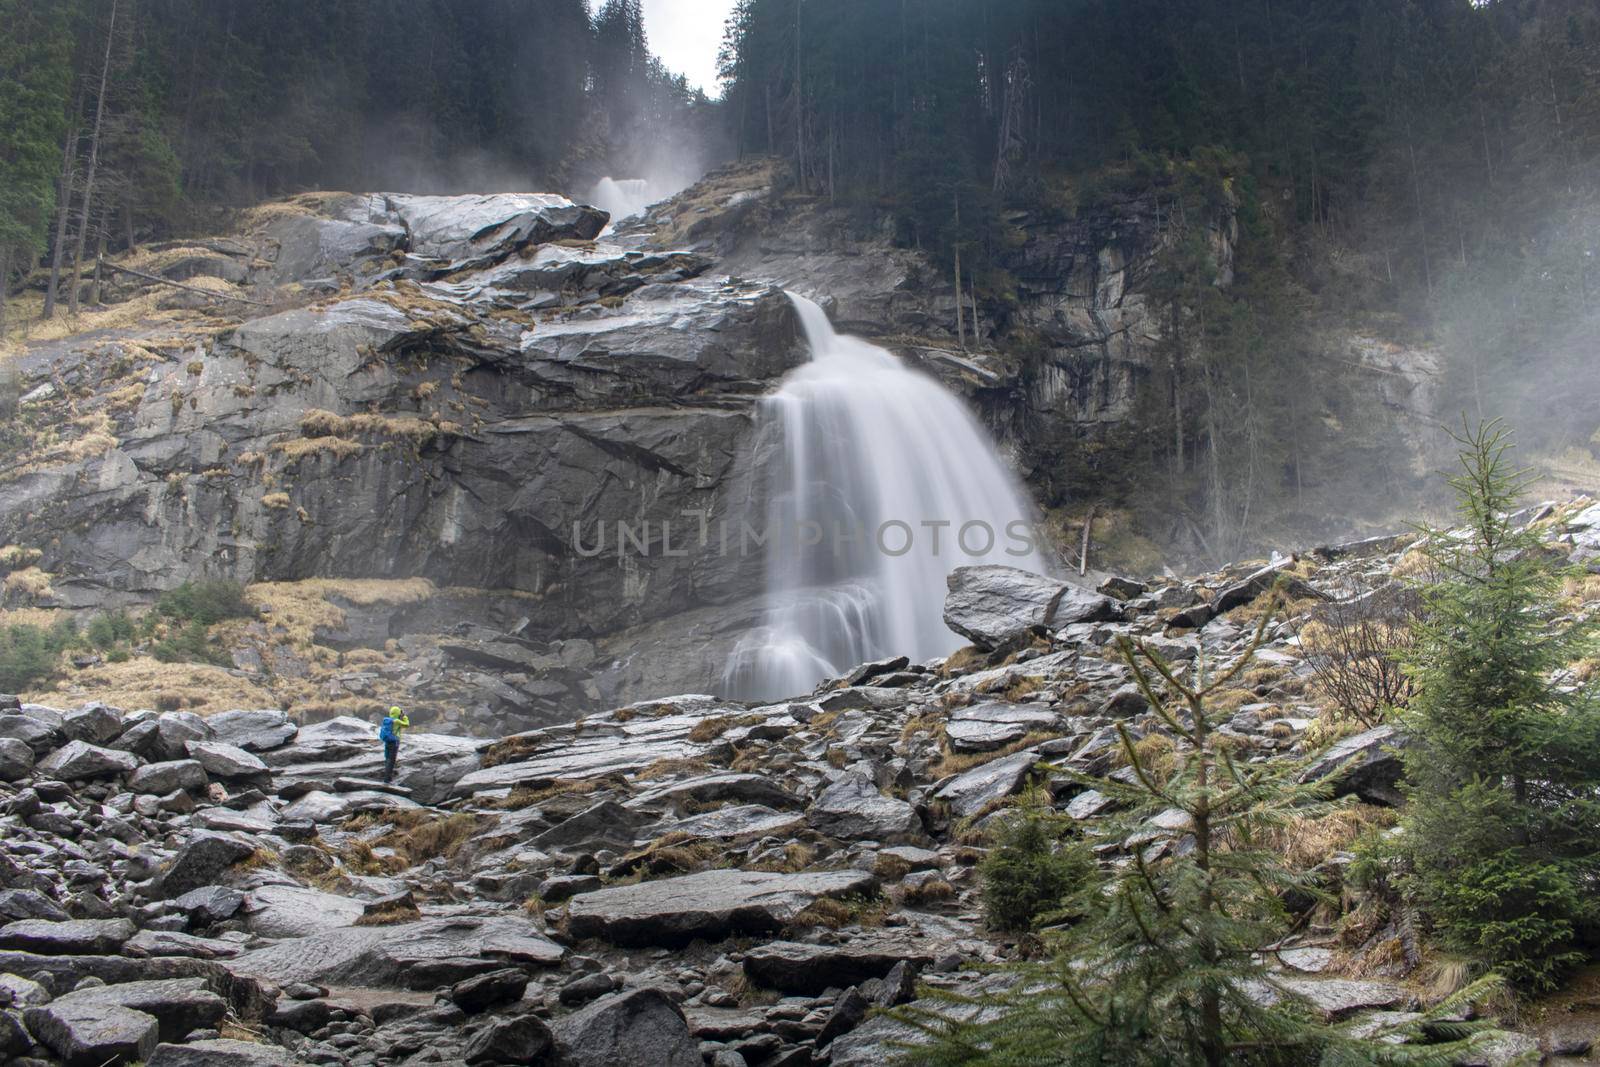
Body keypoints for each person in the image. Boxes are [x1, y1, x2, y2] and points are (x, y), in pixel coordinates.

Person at [379, 705, 409, 784]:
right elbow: (406, 725)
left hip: (388, 741)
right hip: (394, 742)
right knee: (391, 761)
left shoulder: (387, 720)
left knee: (387, 758)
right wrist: (405, 717)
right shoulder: (396, 721)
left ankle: (386, 777)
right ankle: (387, 779)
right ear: (397, 713)